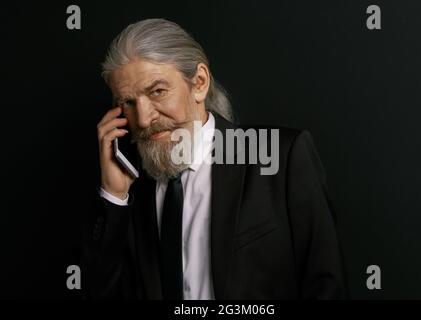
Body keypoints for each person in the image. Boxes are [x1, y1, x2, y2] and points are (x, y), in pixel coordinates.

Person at [82, 18, 347, 299]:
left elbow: (327, 287)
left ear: (199, 83)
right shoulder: (131, 185)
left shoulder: (281, 157)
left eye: (157, 91)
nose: (144, 119)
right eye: (128, 102)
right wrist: (113, 197)